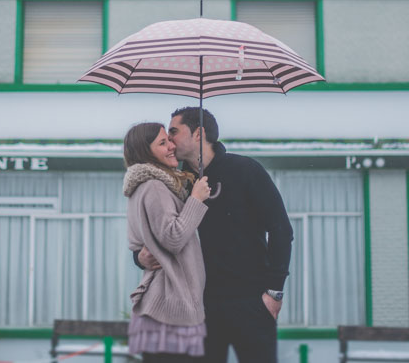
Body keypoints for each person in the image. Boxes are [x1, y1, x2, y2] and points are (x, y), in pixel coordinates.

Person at [137, 107, 293, 363]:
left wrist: (274, 292)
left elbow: (281, 230)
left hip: (250, 302)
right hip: (196, 308)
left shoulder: (245, 170)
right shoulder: (171, 183)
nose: (169, 139)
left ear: (198, 134)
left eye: (174, 131)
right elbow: (152, 235)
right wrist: (139, 257)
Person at [123, 121, 212, 362]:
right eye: (163, 143)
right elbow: (173, 238)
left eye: (170, 139)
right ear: (146, 151)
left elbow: (144, 244)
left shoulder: (144, 186)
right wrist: (196, 199)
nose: (172, 146)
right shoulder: (154, 186)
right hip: (169, 307)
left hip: (163, 304)